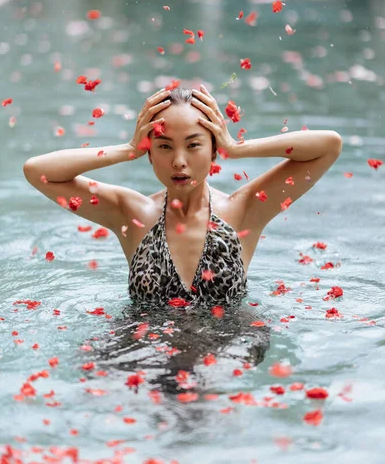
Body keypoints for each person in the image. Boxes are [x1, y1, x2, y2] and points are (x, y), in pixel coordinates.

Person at [23, 84, 342, 306]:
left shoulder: (243, 210)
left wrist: (237, 147)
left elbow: (329, 145)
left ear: (213, 151)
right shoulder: (131, 213)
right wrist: (128, 149)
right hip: (144, 358)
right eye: (164, 146)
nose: (178, 160)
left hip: (224, 362)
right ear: (150, 153)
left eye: (193, 145)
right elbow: (37, 171)